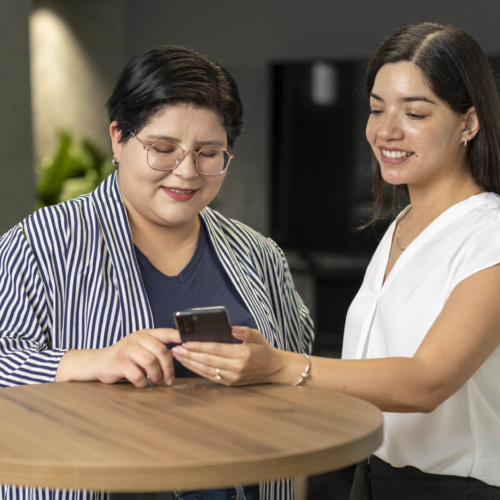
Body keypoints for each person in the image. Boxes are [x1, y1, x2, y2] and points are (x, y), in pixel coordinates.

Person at [172, 23, 500, 499]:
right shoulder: (402, 226)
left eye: (414, 113)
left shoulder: (489, 233)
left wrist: (281, 366)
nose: (386, 131)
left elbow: (427, 382)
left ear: (468, 123)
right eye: (377, 109)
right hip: (371, 476)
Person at [0, 46, 314, 500]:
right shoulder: (43, 243)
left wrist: (270, 367)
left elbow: (300, 369)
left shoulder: (258, 254)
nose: (186, 173)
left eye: (209, 153)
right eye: (163, 149)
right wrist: (91, 362)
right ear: (118, 138)